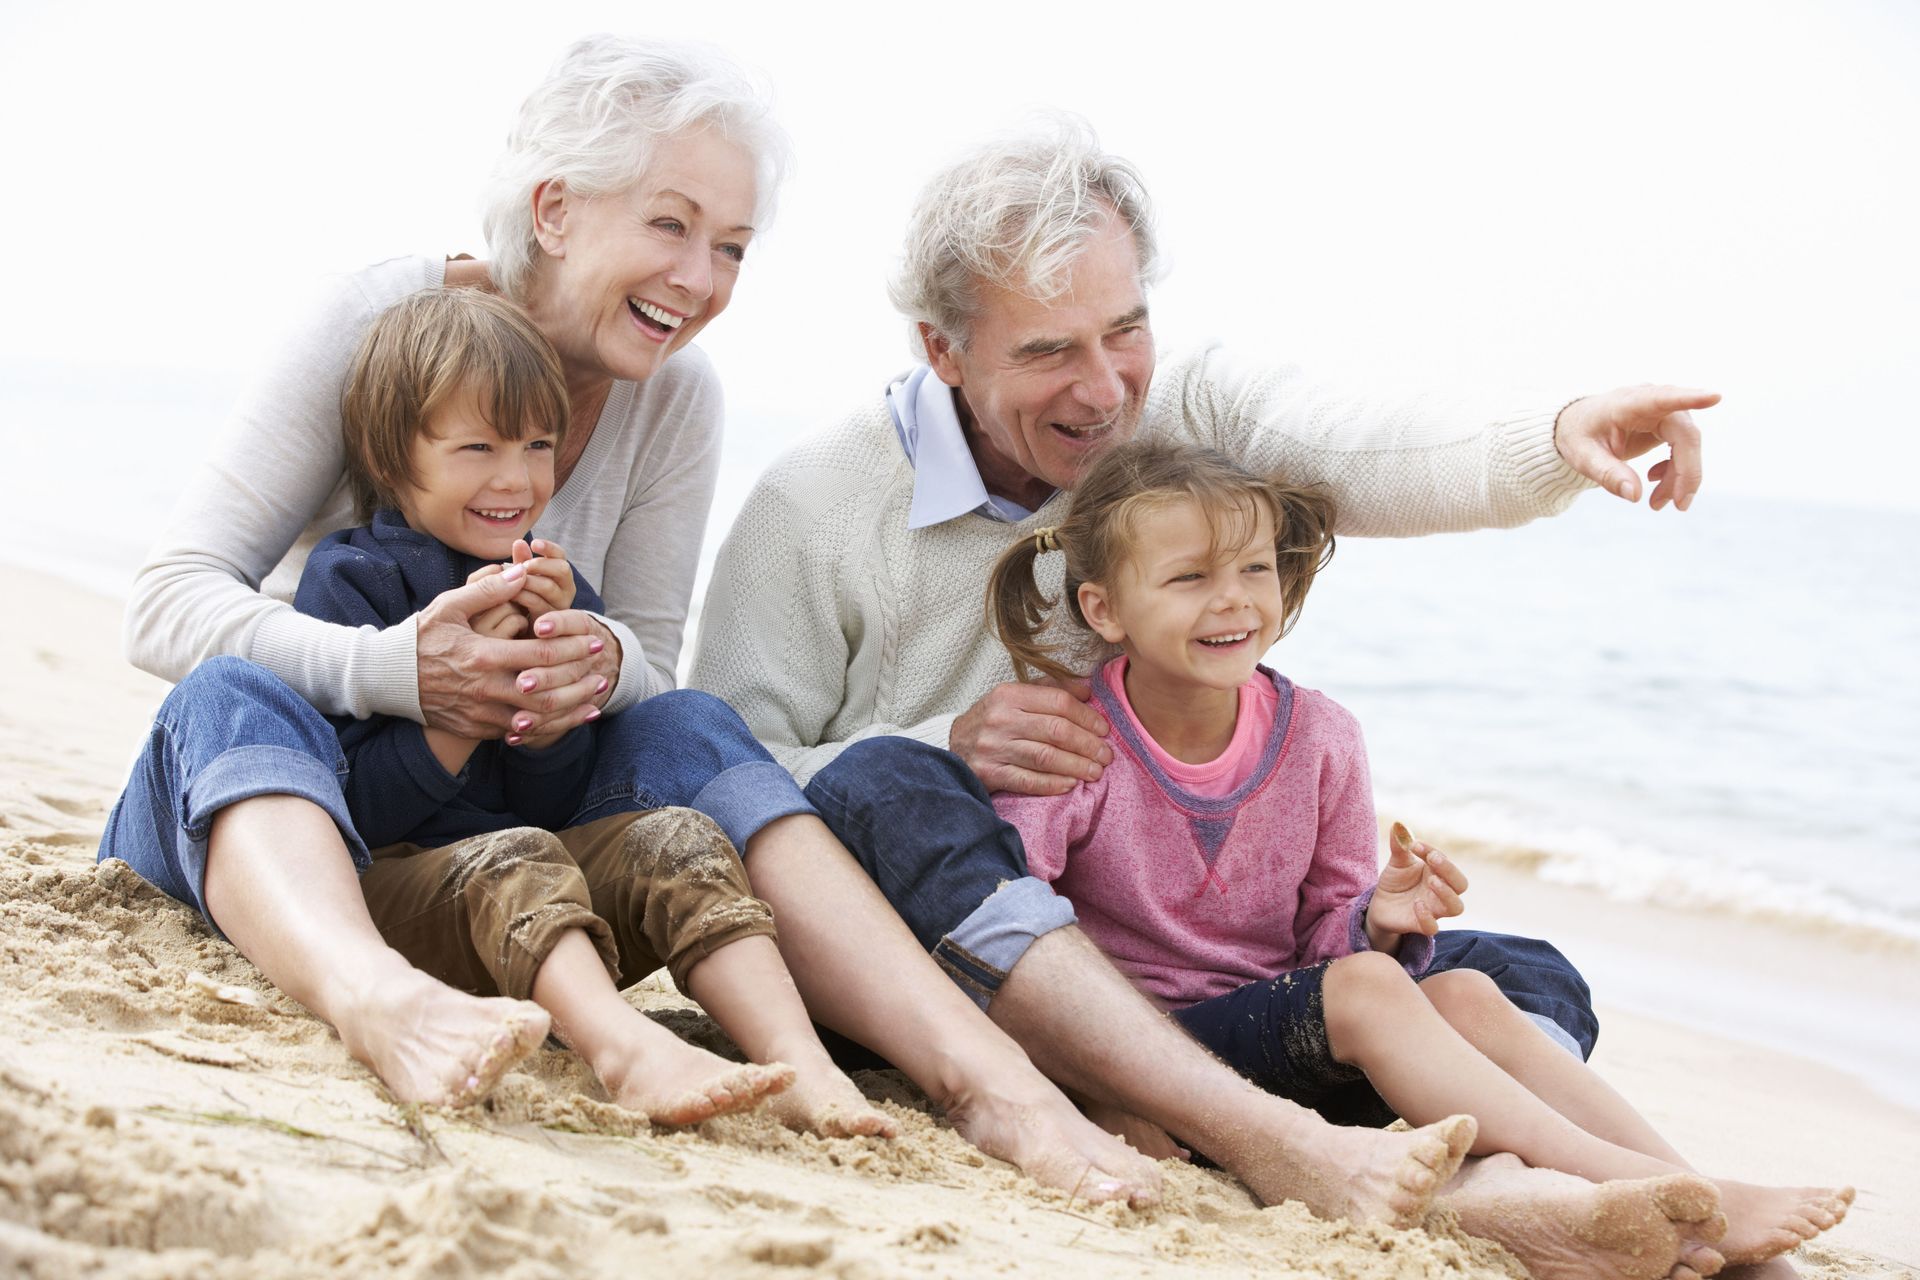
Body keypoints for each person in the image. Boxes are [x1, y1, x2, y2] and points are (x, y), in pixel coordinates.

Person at [103, 37, 1198, 1203]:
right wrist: (396, 669)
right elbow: (166, 600)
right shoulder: (386, 320)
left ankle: (987, 1080)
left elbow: (651, 662)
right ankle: (379, 1000)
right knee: (229, 689)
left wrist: (596, 657)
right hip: (286, 830)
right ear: (558, 209)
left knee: (685, 719)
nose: (702, 276)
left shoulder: (675, 395)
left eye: (730, 245)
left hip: (506, 837)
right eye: (671, 225)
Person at [690, 116, 1789, 1273]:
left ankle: (1496, 1171)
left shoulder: (1184, 426)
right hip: (957, 957)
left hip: (1203, 986)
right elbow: (727, 776)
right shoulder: (817, 502)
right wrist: (945, 740)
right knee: (890, 779)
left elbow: (1363, 446)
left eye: (1127, 330)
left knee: (1512, 977)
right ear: (944, 348)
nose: (1106, 388)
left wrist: (1554, 438)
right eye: (1049, 350)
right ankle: (1335, 1146)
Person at [982, 437, 1851, 1272]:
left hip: (1286, 1053)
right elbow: (1027, 945)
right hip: (1152, 1057)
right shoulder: (1065, 740)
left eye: (1255, 568)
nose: (1235, 599)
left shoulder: (1320, 737)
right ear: (1104, 608)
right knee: (1371, 988)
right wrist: (1100, 1091)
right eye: (1189, 577)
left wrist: (1377, 920)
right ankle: (1655, 1187)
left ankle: (1689, 1195)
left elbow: (1327, 945)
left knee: (1464, 990)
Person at [271, 284, 908, 1132]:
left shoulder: (552, 584)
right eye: (478, 447)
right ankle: (621, 1050)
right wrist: (462, 717)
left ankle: (800, 1063)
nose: (517, 477)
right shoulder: (353, 580)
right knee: (514, 854)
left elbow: (550, 797)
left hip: (548, 922)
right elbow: (351, 810)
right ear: (393, 461)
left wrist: (551, 714)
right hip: (407, 901)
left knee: (680, 837)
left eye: (539, 444)